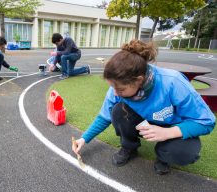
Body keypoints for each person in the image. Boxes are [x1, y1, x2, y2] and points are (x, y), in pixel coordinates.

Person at [72, 40, 216, 175]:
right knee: (117, 110)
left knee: (185, 153)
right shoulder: (118, 87)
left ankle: (164, 156)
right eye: (112, 87)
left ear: (139, 80)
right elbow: (104, 116)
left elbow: (207, 121)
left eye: (120, 89)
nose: (115, 93)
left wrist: (168, 133)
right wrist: (84, 139)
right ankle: (130, 147)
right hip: (144, 122)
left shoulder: (173, 83)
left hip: (173, 126)